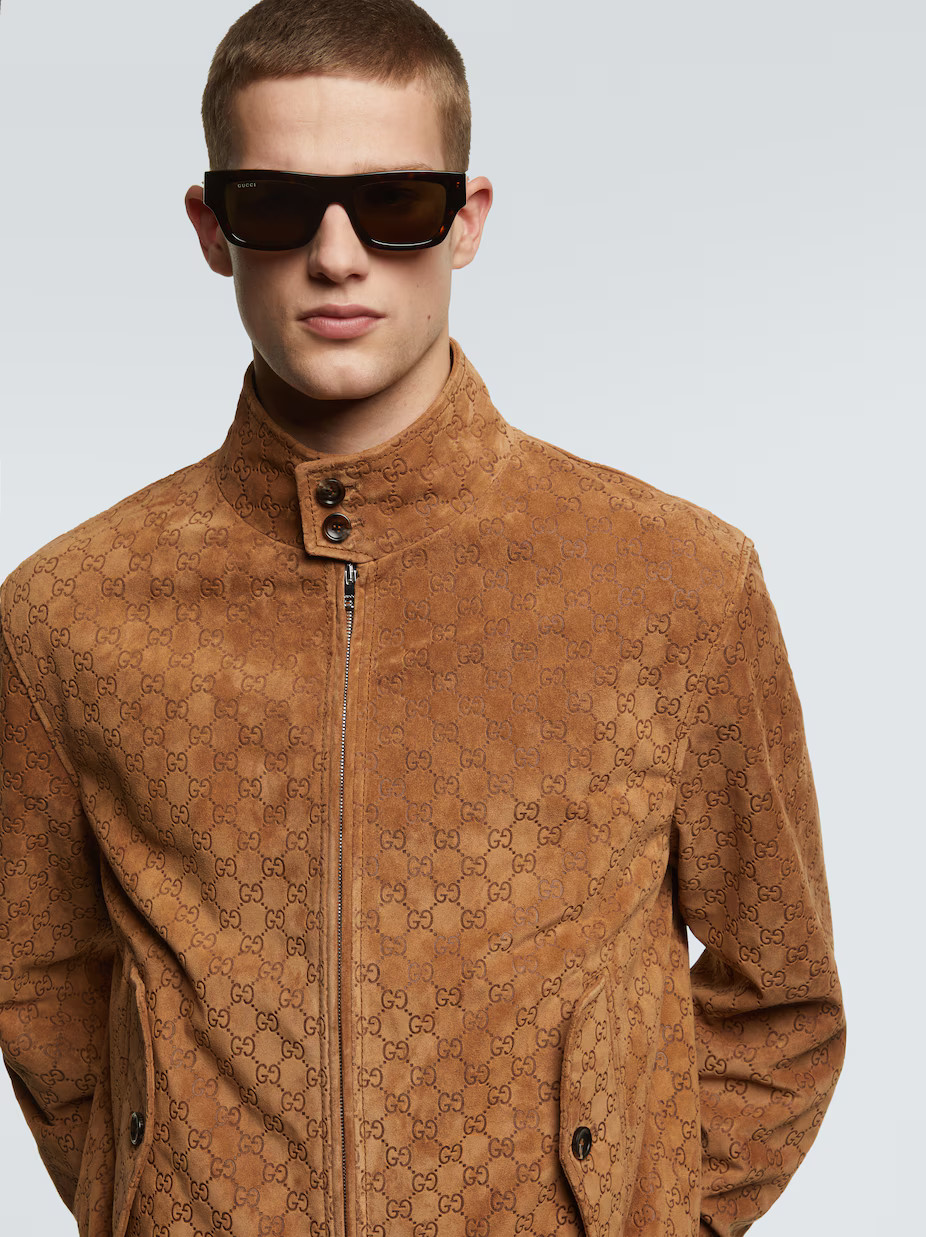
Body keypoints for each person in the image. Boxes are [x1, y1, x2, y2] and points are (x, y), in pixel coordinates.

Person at [0, 1, 847, 1235]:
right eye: (278, 204)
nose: (337, 256)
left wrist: (652, 1215)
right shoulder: (69, 613)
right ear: (212, 227)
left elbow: (783, 994)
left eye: (392, 202)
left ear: (465, 220)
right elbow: (37, 985)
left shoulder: (674, 582)